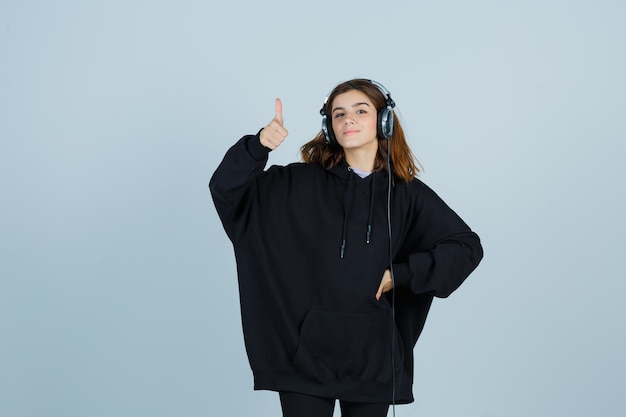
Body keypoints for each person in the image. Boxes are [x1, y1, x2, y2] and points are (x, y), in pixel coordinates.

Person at [209, 79, 483, 417]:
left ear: (384, 121)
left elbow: (466, 247)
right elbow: (228, 192)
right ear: (329, 126)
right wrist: (257, 147)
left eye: (360, 110)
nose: (348, 120)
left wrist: (401, 275)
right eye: (339, 114)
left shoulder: (407, 194)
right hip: (305, 359)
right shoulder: (297, 183)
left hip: (374, 357)